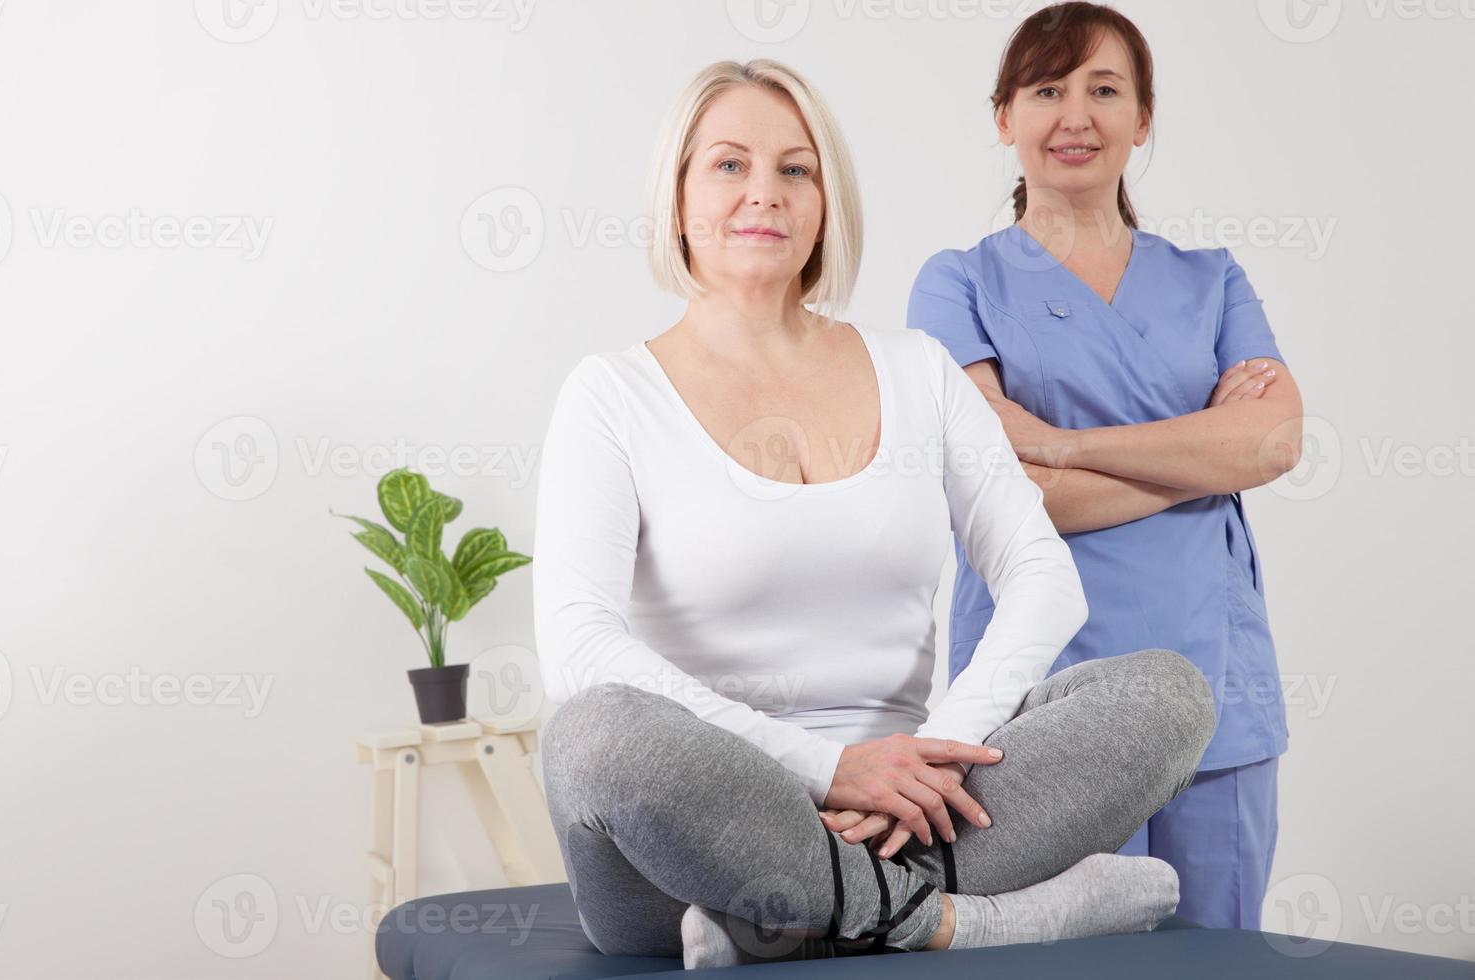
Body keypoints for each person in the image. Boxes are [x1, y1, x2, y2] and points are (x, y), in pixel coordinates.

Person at [531, 58, 1215, 967]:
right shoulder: (611, 394)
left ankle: (791, 921)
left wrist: (937, 749)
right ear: (678, 194)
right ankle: (959, 922)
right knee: (594, 731)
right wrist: (825, 770)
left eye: (795, 168)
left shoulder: (917, 370)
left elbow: (1040, 575)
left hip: (911, 811)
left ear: (826, 198)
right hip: (695, 839)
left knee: (1168, 692)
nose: (763, 193)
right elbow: (578, 646)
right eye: (729, 165)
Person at [907, 2, 1303, 930]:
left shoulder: (1212, 278)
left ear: (1143, 117)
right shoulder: (957, 281)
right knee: (1056, 951)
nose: (1074, 115)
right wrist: (1204, 450)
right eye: (1046, 90)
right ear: (1004, 118)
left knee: (1219, 953)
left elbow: (1273, 443)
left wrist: (1055, 441)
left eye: (1104, 89)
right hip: (1039, 690)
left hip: (1215, 677)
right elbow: (1000, 489)